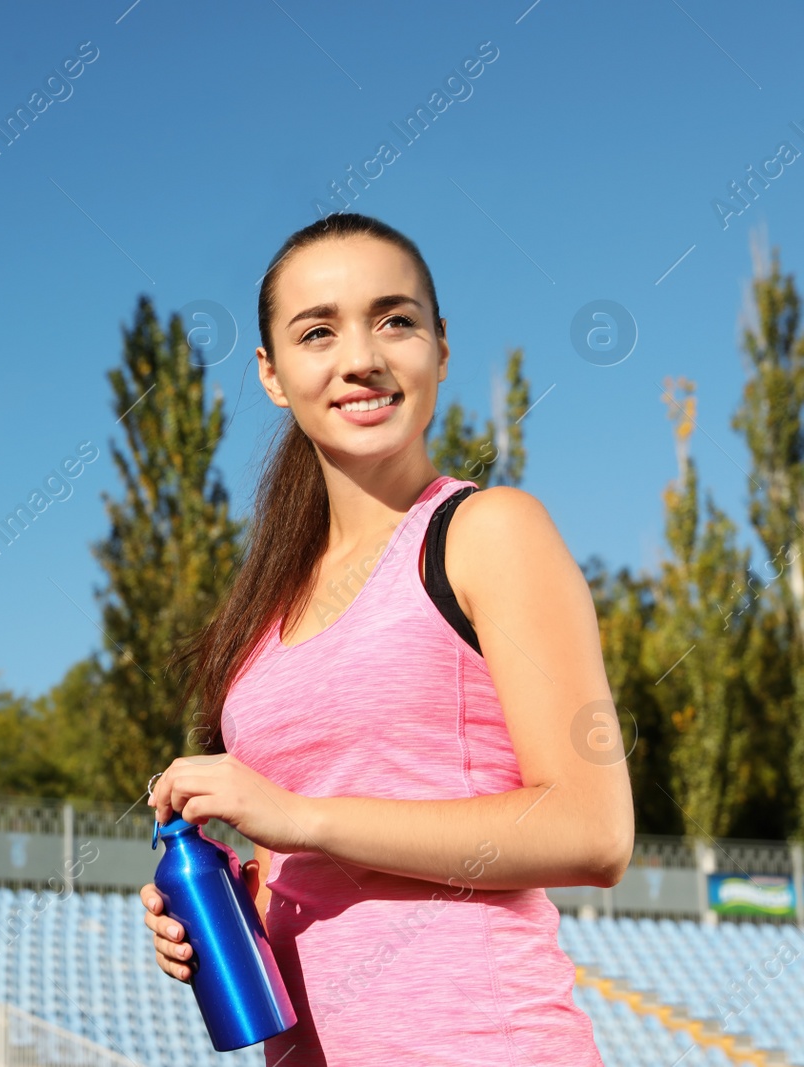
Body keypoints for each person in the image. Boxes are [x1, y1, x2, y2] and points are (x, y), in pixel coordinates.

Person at [140, 211, 633, 1065]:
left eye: (395, 320)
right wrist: (226, 908)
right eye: (318, 331)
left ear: (440, 347)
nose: (360, 356)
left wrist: (301, 818)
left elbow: (593, 831)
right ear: (271, 373)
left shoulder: (487, 531)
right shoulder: (263, 614)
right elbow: (317, 865)